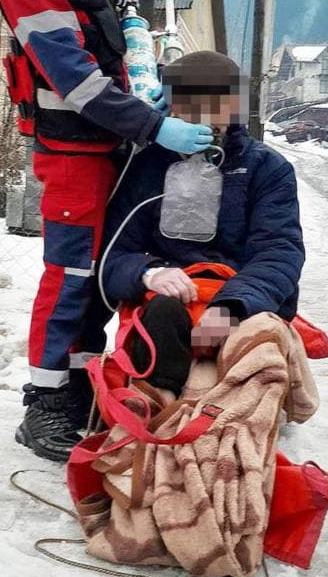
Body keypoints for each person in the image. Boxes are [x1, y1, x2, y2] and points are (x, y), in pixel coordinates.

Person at [0, 0, 215, 461]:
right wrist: (151, 124)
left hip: (113, 144)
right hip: (73, 149)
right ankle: (43, 407)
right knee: (69, 276)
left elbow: (119, 47)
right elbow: (67, 70)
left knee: (95, 284)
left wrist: (151, 89)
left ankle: (83, 395)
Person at [98, 50, 305, 390]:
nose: (204, 119)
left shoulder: (267, 168)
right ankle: (160, 404)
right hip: (167, 305)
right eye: (190, 106)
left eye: (215, 106)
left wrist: (230, 308)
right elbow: (113, 254)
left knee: (255, 344)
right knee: (161, 318)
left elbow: (279, 253)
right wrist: (148, 273)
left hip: (242, 301)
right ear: (171, 108)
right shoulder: (146, 168)